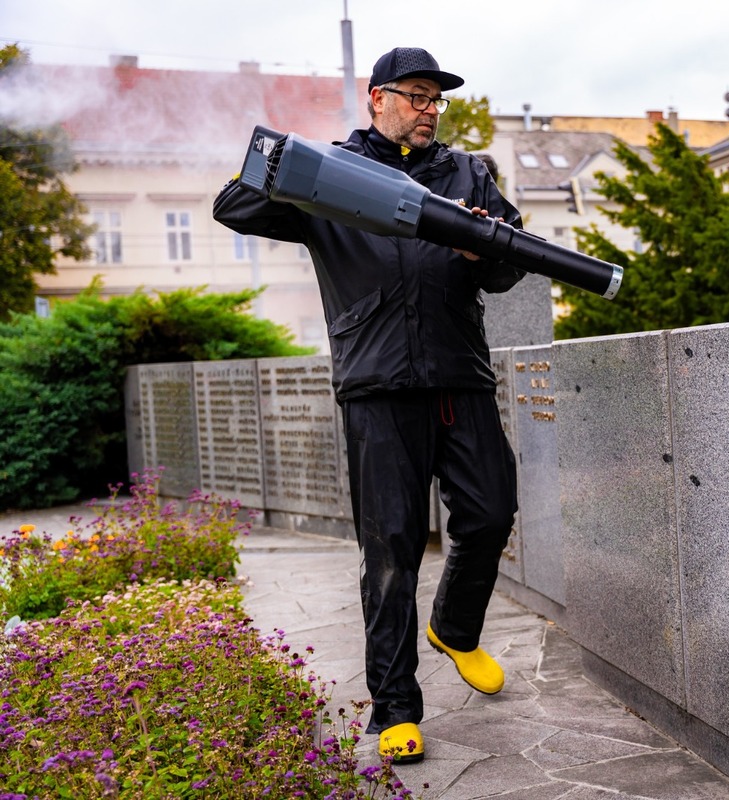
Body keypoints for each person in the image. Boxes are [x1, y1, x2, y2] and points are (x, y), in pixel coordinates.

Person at [213, 46, 523, 764]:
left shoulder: (467, 172)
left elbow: (508, 269)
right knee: (390, 550)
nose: (428, 109)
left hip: (460, 375)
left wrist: (485, 252)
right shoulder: (335, 174)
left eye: (435, 99)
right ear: (377, 99)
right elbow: (234, 205)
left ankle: (456, 626)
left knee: (491, 513)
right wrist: (298, 174)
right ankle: (395, 709)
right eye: (416, 96)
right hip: (377, 384)